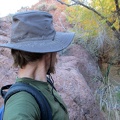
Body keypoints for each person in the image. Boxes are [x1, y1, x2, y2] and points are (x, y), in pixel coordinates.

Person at [0, 10, 75, 120]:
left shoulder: (43, 83)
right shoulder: (22, 105)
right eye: (56, 49)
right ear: (48, 53)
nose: (57, 56)